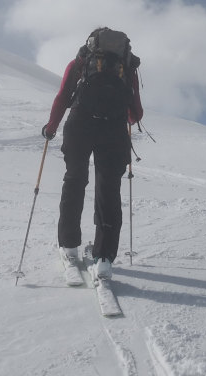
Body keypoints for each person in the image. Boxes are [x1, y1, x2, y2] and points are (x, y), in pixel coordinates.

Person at [42, 28, 142, 280]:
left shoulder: (80, 61)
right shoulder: (126, 67)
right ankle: (104, 259)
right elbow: (136, 113)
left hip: (80, 124)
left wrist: (51, 128)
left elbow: (63, 96)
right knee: (108, 190)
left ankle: (69, 248)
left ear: (91, 43)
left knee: (74, 181)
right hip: (113, 130)